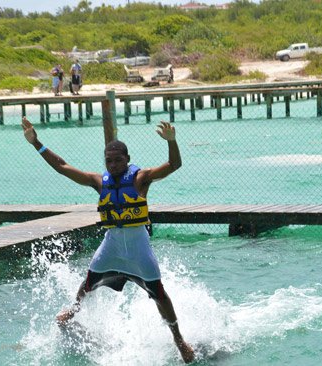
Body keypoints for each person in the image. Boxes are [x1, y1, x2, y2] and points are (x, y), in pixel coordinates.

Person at [21, 117, 195, 363]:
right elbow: (62, 166)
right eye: (109, 161)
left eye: (118, 160)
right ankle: (74, 309)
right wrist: (36, 143)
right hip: (112, 244)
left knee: (159, 294)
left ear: (127, 159)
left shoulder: (140, 178)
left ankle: (179, 340)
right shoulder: (97, 182)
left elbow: (174, 164)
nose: (113, 165)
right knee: (88, 282)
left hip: (138, 247)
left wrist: (172, 141)